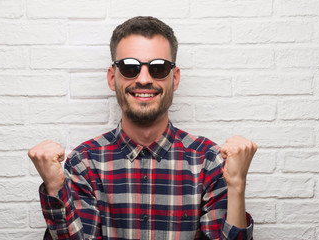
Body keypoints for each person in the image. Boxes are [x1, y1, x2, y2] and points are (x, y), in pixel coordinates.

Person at [28, 16, 257, 240]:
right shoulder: (84, 162)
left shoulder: (207, 160)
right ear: (112, 78)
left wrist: (237, 185)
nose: (145, 79)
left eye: (158, 68)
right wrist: (55, 187)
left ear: (174, 79)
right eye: (129, 67)